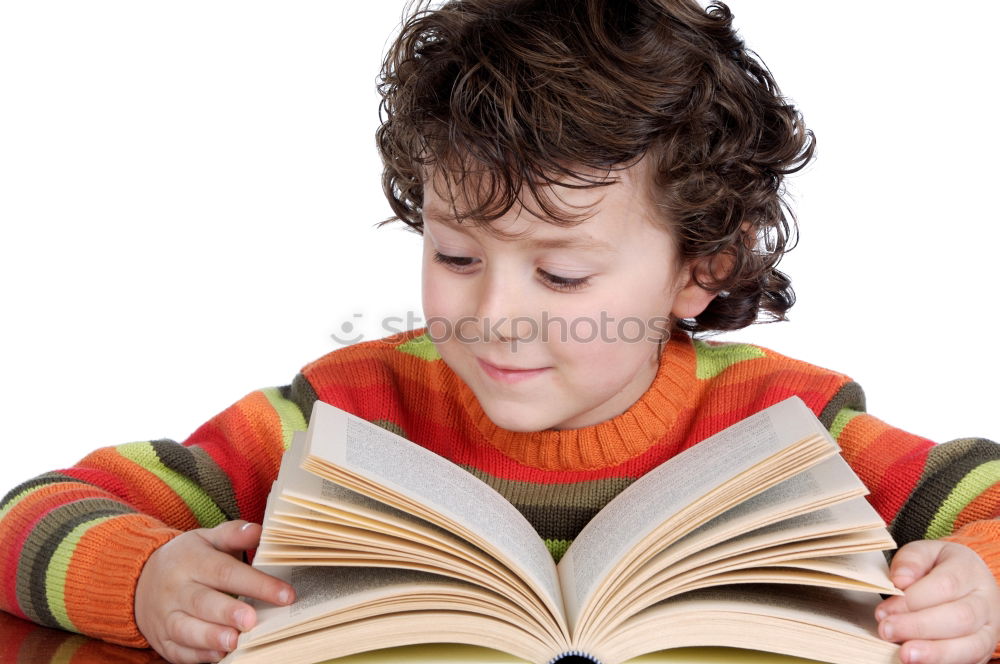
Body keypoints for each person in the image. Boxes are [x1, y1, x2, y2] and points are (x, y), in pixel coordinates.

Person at [1, 1, 998, 664]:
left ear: (703, 268)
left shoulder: (790, 417)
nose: (491, 315)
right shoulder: (337, 411)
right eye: (456, 256)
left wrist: (978, 586)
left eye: (560, 272)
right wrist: (139, 581)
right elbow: (29, 514)